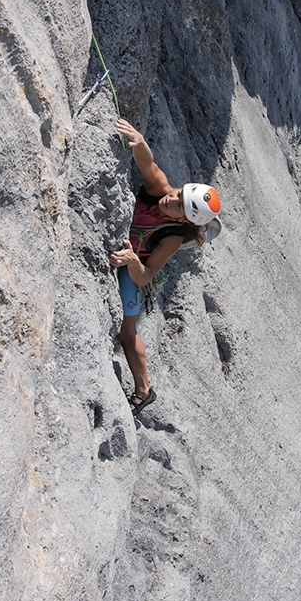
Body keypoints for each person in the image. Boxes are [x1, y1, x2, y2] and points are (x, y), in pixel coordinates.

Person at [109, 117, 221, 415]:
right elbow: (149, 165)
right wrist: (139, 141)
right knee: (126, 331)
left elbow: (145, 277)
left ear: (184, 220)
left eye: (178, 205)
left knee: (127, 331)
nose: (171, 199)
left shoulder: (172, 237)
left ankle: (144, 391)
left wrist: (132, 260)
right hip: (127, 256)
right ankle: (144, 389)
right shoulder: (160, 190)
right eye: (179, 194)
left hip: (134, 269)